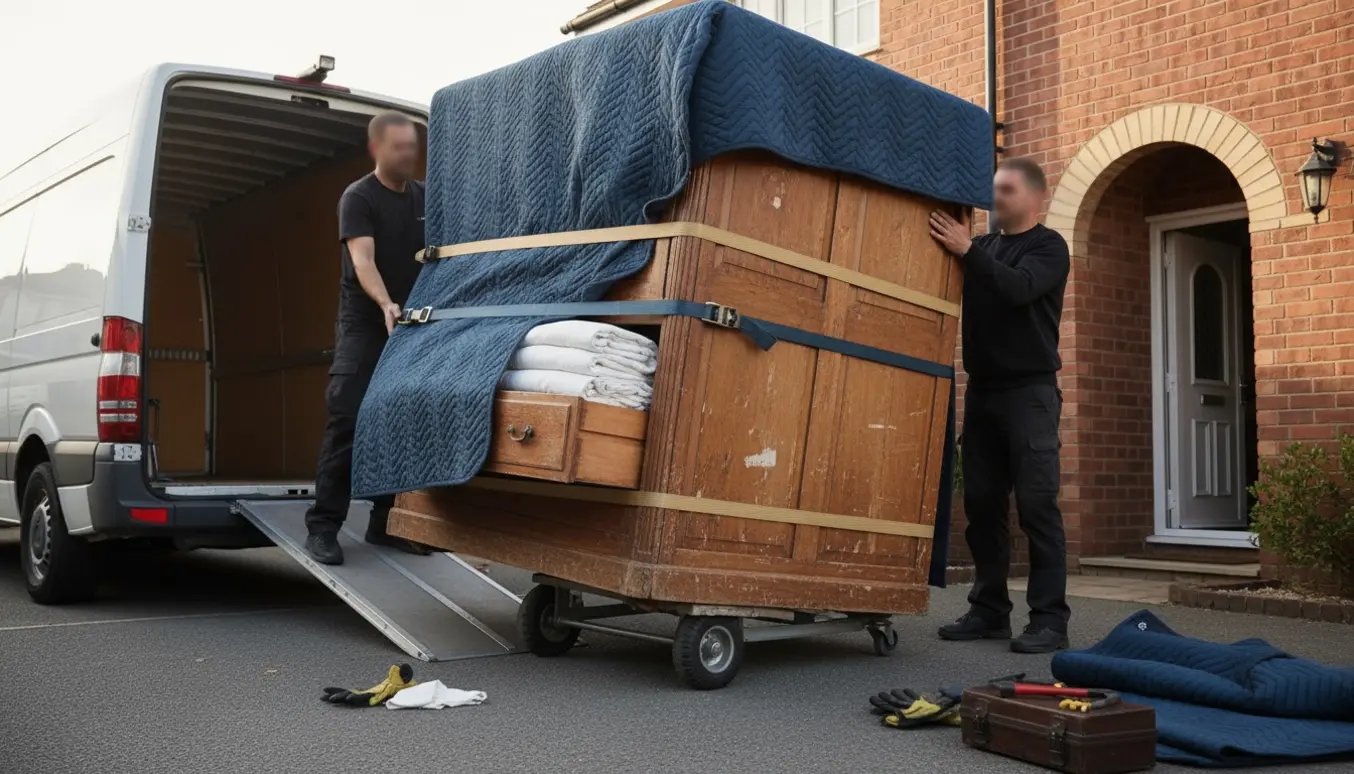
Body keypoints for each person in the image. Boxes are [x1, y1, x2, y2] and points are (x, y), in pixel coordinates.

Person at [927, 157, 1072, 654]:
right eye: (994, 188)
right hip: (983, 392)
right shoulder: (982, 247)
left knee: (1037, 507)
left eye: (1006, 189)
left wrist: (968, 250)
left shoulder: (1048, 247)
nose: (996, 197)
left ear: (1034, 198)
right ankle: (990, 612)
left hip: (1030, 394)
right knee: (982, 507)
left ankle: (1051, 621)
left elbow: (1019, 289)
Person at [304, 111, 431, 565]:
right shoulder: (358, 197)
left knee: (401, 419)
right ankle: (322, 527)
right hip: (366, 321)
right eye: (400, 147)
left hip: (412, 324)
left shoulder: (423, 196)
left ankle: (385, 521)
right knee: (348, 418)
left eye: (413, 146)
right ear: (377, 149)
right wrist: (384, 303)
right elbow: (363, 262)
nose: (410, 154)